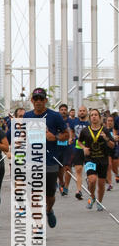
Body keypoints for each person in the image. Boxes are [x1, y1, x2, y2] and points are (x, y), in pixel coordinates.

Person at [23, 88, 69, 228]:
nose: (38, 102)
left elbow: (66, 135)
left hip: (50, 161)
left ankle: (48, 210)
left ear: (45, 100)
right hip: (33, 161)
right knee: (35, 194)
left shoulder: (55, 116)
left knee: (50, 196)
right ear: (31, 100)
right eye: (35, 99)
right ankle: (38, 224)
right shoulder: (27, 116)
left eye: (41, 99)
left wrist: (54, 137)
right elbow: (23, 136)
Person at [81, 108, 115, 211]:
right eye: (92, 115)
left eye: (96, 115)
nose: (94, 117)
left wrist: (106, 138)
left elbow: (112, 145)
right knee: (92, 180)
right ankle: (92, 196)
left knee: (101, 184)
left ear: (100, 118)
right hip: (90, 159)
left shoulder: (105, 130)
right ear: (90, 118)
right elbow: (79, 142)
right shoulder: (85, 130)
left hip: (102, 160)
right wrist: (84, 148)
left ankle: (99, 202)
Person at [71, 105, 90, 200]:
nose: (82, 112)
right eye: (80, 111)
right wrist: (71, 137)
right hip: (77, 148)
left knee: (90, 171)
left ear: (86, 112)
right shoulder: (74, 122)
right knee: (78, 170)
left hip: (88, 149)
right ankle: (79, 191)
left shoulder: (89, 123)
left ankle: (88, 180)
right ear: (78, 112)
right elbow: (71, 131)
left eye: (83, 111)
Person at [57, 103, 74, 196]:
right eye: (61, 109)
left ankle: (66, 187)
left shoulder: (70, 121)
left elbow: (72, 131)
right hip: (57, 147)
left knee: (67, 167)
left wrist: (71, 138)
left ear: (67, 111)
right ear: (59, 111)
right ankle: (61, 182)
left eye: (65, 109)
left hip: (68, 148)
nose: (63, 111)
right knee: (59, 168)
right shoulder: (56, 121)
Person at [104, 114, 119, 188]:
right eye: (108, 121)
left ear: (113, 122)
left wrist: (116, 138)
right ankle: (110, 184)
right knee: (109, 165)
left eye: (111, 121)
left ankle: (117, 174)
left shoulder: (115, 130)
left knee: (114, 166)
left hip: (115, 149)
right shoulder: (104, 130)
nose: (109, 122)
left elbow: (117, 138)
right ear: (106, 122)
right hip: (107, 149)